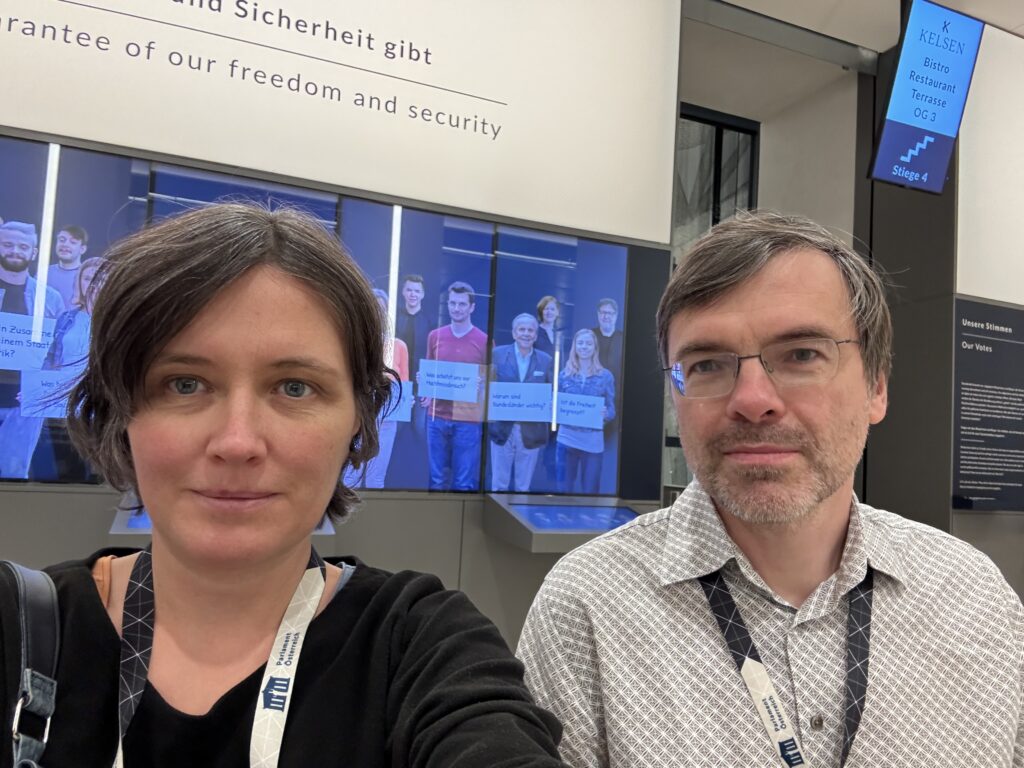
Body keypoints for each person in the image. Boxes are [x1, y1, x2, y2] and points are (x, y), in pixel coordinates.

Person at [0, 204, 565, 766]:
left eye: (294, 387)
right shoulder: (19, 629)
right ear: (120, 409)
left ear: (359, 418)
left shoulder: (423, 646)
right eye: (185, 383)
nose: (237, 441)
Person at [518, 211, 1024, 767]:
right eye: (708, 364)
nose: (752, 399)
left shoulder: (974, 598)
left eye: (802, 355)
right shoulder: (587, 609)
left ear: (876, 387)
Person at [0, 221, 66, 478]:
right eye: (7, 244)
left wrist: (41, 390)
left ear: (33, 252)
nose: (15, 251)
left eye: (23, 246)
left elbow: (57, 352)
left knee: (14, 476)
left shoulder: (51, 298)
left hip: (24, 404)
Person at [422, 281, 488, 491]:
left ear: (472, 307)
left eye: (462, 304)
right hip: (436, 417)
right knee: (436, 481)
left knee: (463, 483)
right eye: (452, 303)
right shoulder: (435, 336)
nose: (456, 308)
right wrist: (425, 384)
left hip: (468, 421)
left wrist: (481, 385)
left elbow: (490, 385)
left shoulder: (484, 341)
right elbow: (429, 373)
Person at [344, 288, 409, 489]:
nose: (377, 313)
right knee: (349, 479)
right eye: (372, 307)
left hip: (387, 421)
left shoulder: (399, 346)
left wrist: (408, 400)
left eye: (381, 308)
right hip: (356, 419)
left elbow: (404, 385)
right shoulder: (352, 343)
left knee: (376, 480)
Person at [488, 313, 554, 492]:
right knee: (499, 485)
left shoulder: (546, 360)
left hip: (531, 431)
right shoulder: (497, 355)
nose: (526, 334)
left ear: (536, 335)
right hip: (502, 430)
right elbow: (488, 387)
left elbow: (551, 393)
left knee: (523, 487)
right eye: (522, 329)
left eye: (530, 330)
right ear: (514, 333)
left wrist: (550, 404)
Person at [554, 328, 614, 495]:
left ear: (595, 348)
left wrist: (606, 413)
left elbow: (612, 410)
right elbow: (556, 407)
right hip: (566, 441)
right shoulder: (564, 375)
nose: (584, 347)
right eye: (580, 343)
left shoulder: (606, 376)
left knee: (590, 493)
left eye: (588, 343)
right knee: (563, 492)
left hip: (593, 444)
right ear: (575, 347)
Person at [47, 225, 89, 308]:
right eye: (62, 240)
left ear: (82, 249)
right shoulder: (44, 273)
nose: (65, 245)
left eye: (73, 242)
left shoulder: (88, 277)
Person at [591, 298, 623, 378]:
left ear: (616, 315)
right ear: (598, 314)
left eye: (610, 313)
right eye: (603, 312)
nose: (606, 316)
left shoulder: (623, 338)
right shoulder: (589, 336)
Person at [534, 295, 563, 363]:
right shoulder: (534, 331)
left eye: (552, 309)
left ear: (557, 312)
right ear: (541, 311)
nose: (549, 312)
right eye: (546, 309)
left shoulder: (559, 334)